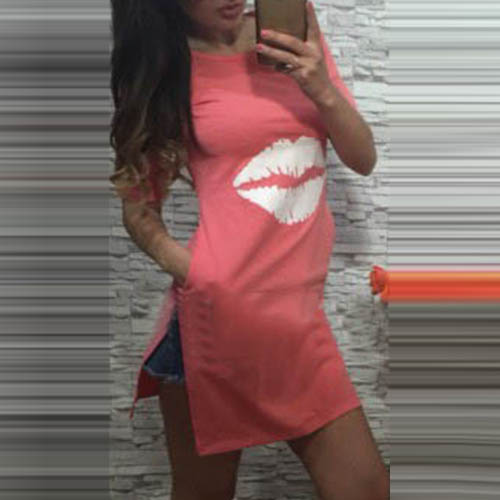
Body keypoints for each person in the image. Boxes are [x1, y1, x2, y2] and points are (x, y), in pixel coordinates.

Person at [109, 1, 389, 499]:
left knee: (366, 488)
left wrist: (320, 85)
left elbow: (362, 158)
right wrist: (202, 274)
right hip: (216, 322)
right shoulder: (166, 65)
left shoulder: (292, 34)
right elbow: (138, 209)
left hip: (296, 321)